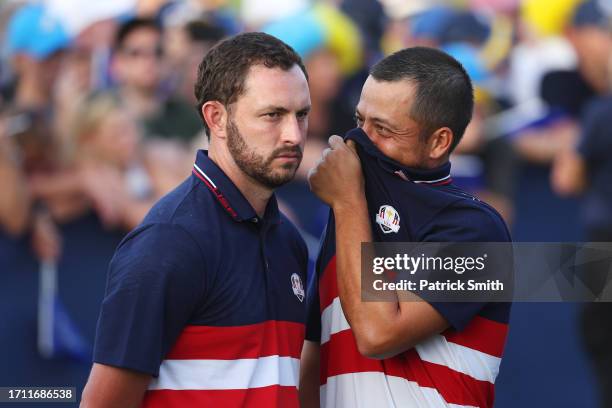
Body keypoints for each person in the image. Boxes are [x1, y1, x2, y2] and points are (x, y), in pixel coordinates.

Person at [81, 32, 311, 408]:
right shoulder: (168, 242)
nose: (293, 134)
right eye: (273, 115)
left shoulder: (289, 241)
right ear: (216, 118)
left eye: (301, 114)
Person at [301, 47, 512, 407]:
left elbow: (377, 334)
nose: (358, 139)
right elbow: (316, 357)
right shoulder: (351, 212)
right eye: (360, 119)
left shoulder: (478, 230)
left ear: (438, 142)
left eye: (382, 128)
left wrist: (348, 202)